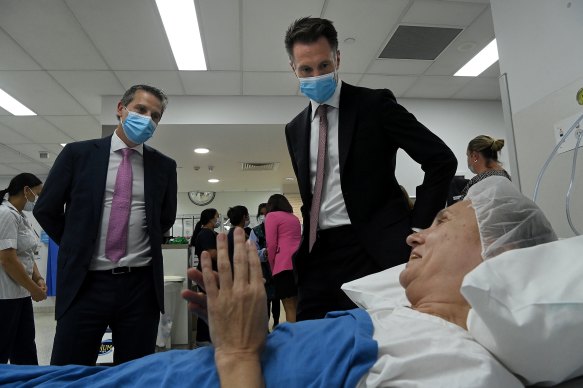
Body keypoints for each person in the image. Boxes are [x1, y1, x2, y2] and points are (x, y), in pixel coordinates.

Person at [0, 177, 558, 387]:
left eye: (439, 222)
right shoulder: (405, 326)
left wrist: (241, 352)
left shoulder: (460, 370)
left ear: (499, 258)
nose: (414, 235)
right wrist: (229, 335)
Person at [284, 17, 458, 320]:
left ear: (338, 58)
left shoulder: (374, 105)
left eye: (324, 65)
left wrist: (418, 227)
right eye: (306, 70)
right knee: (311, 342)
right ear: (293, 69)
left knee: (376, 343)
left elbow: (441, 159)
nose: (316, 75)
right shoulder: (294, 128)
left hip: (374, 251)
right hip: (317, 255)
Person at [33, 84, 178, 366]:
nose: (148, 119)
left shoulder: (163, 166)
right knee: (69, 371)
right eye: (141, 110)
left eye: (156, 116)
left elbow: (164, 219)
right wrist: (77, 244)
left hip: (140, 286)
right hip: (86, 283)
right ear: (121, 109)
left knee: (135, 373)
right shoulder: (78, 155)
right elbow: (46, 209)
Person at [0, 173, 47, 365]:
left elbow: (26, 252)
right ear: (26, 190)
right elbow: (7, 259)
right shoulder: (5, 214)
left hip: (21, 294)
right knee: (3, 348)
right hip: (4, 297)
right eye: (38, 193)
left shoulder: (20, 216)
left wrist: (38, 278)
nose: (38, 198)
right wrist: (34, 289)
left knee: (25, 347)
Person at [264, 194, 301, 322]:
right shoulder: (294, 218)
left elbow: (271, 244)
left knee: (289, 306)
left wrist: (272, 267)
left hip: (283, 265)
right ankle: (302, 338)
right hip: (299, 263)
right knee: (297, 306)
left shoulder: (271, 216)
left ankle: (293, 340)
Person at [189, 208, 219, 346]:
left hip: (208, 274)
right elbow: (212, 254)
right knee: (208, 306)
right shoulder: (206, 234)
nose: (218, 219)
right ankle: (203, 339)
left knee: (210, 306)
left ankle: (205, 338)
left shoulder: (209, 233)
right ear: (211, 218)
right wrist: (226, 252)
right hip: (207, 275)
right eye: (217, 216)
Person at [249, 203, 280, 328]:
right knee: (264, 301)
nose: (264, 216)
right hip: (262, 271)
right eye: (261, 214)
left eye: (266, 213)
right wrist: (264, 253)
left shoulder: (278, 229)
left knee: (277, 299)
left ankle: (277, 324)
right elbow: (251, 252)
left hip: (277, 269)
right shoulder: (255, 231)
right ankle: (265, 328)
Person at [459, 135, 510, 200]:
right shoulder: (506, 176)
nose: (467, 160)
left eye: (468, 155)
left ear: (474, 156)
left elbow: (462, 208)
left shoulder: (477, 182)